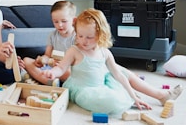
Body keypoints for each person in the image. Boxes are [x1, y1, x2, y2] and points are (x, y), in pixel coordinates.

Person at [41, 8, 183, 115]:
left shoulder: (104, 52)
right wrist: (53, 73)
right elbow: (61, 68)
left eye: (89, 37)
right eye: (80, 36)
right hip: (84, 90)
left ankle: (159, 95)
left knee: (121, 72)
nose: (84, 41)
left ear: (100, 34)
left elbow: (119, 76)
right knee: (113, 101)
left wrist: (133, 97)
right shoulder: (74, 51)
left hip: (101, 83)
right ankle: (131, 98)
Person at [23, 0, 76, 85]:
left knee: (70, 73)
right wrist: (42, 60)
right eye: (56, 21)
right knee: (26, 61)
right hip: (52, 68)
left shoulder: (77, 36)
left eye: (64, 21)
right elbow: (47, 55)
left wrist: (63, 65)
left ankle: (44, 80)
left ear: (73, 20)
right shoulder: (53, 35)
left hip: (67, 69)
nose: (60, 25)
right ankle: (51, 82)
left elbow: (78, 60)